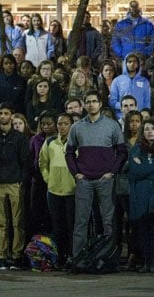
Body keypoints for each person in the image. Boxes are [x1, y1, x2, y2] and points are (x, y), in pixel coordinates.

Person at [65, 91, 126, 259]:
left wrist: (112, 172)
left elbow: (122, 152)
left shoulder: (112, 126)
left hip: (105, 180)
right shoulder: (77, 127)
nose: (91, 104)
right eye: (88, 101)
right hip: (84, 180)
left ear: (100, 103)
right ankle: (79, 259)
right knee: (81, 221)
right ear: (84, 105)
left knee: (108, 222)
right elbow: (69, 153)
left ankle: (108, 258)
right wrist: (76, 173)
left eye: (94, 101)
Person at [0, 105, 30, 270]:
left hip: (14, 183)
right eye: (0, 113)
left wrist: (21, 180)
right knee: (1, 222)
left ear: (11, 116)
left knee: (18, 222)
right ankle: (2, 255)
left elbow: (25, 161)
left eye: (6, 113)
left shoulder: (19, 138)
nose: (3, 116)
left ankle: (17, 255)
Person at [126, 117, 154, 272]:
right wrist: (153, 166)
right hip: (140, 197)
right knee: (142, 230)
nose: (149, 131)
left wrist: (144, 166)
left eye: (152, 128)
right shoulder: (136, 149)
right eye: (146, 129)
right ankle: (145, 262)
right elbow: (134, 172)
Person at [39, 112, 77, 267]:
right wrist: (48, 179)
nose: (62, 126)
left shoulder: (77, 142)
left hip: (72, 190)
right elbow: (43, 162)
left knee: (71, 225)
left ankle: (71, 256)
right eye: (60, 123)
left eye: (65, 123)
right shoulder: (50, 142)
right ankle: (59, 257)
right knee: (57, 225)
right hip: (54, 190)